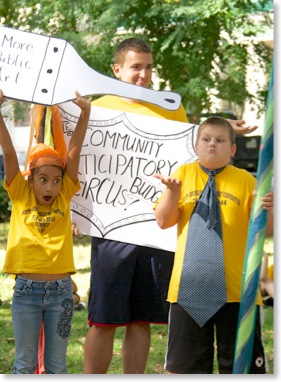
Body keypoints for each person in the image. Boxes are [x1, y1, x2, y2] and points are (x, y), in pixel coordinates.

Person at [83, 37, 260, 374]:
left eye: (149, 67)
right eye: (136, 67)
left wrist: (223, 130)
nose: (144, 75)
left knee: (141, 318)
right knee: (103, 319)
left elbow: (189, 142)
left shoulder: (169, 106)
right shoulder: (98, 105)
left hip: (157, 230)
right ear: (117, 69)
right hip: (111, 228)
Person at [153, 116, 273, 374]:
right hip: (188, 289)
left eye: (220, 140)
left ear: (232, 149)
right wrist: (173, 193)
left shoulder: (247, 181)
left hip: (238, 291)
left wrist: (270, 211)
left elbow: (268, 231)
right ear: (196, 146)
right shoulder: (182, 175)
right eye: (206, 140)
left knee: (243, 368)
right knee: (187, 368)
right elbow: (163, 221)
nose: (212, 145)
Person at [0, 89, 91, 374]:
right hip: (26, 293)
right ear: (31, 179)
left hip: (62, 295)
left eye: (55, 180)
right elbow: (10, 152)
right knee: (24, 365)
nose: (50, 187)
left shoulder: (65, 194)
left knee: (57, 367)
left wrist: (84, 114)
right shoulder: (20, 193)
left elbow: (73, 153)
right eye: (43, 180)